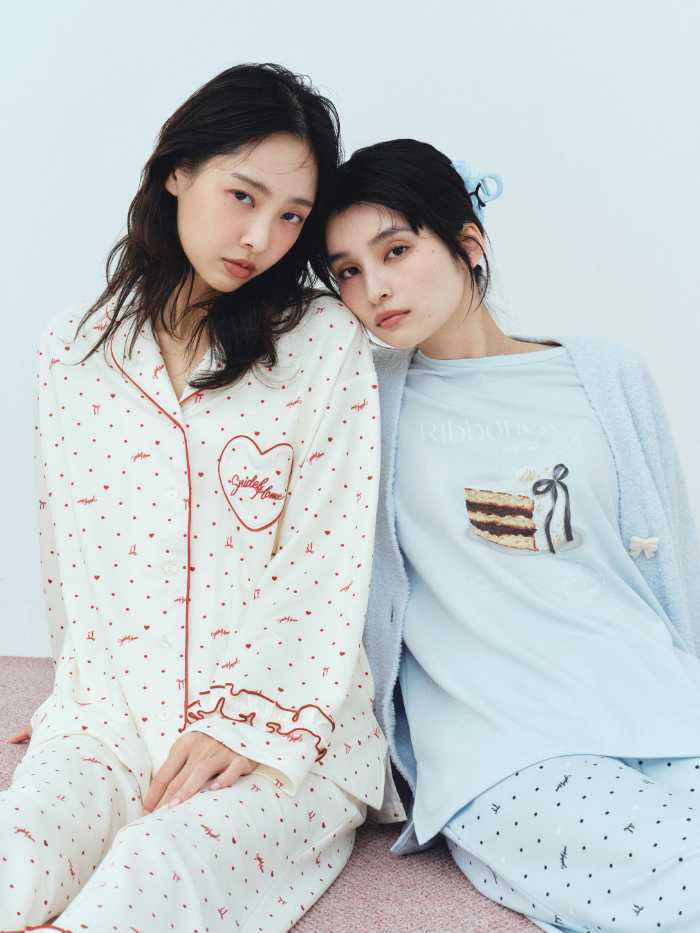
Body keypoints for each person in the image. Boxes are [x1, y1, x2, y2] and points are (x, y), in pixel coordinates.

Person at [1, 63, 387, 932]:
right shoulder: (74, 348)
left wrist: (248, 722)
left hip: (283, 733)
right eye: (242, 195)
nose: (260, 237)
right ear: (177, 171)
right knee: (17, 847)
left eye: (291, 216)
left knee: (154, 871)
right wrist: (76, 692)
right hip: (113, 717)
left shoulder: (322, 342)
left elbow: (326, 556)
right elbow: (71, 553)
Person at [320, 138, 700, 932]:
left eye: (395, 250)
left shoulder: (604, 374)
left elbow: (671, 562)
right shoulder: (359, 404)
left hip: (660, 706)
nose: (373, 288)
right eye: (346, 270)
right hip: (506, 748)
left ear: (469, 242)